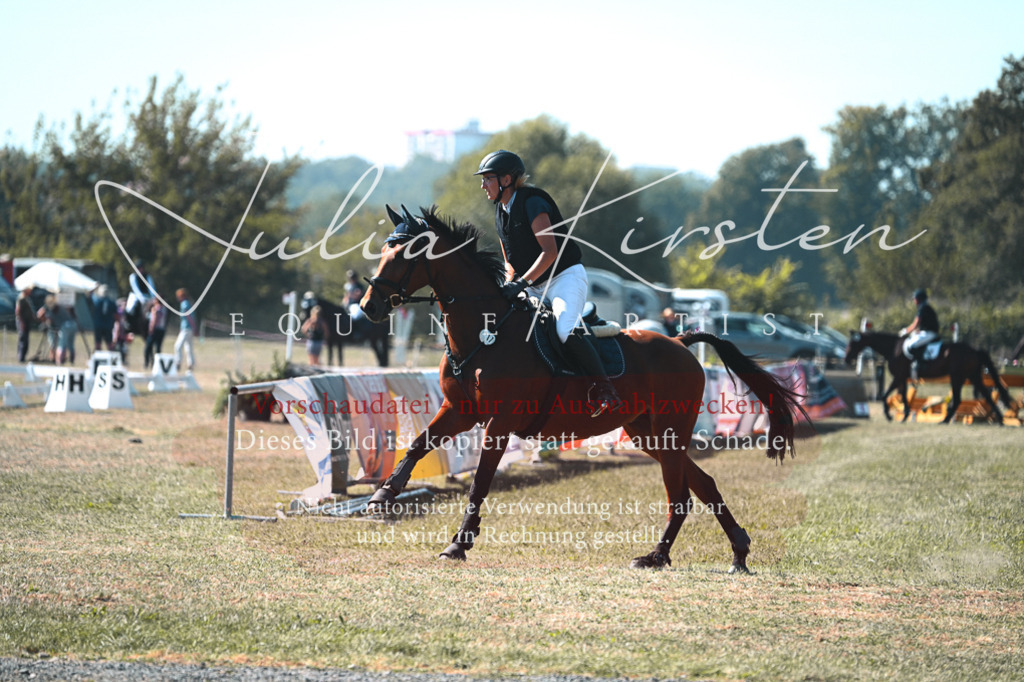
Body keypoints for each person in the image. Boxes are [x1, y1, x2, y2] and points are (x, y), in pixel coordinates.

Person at [474, 149, 620, 416]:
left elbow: (549, 252)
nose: (483, 185)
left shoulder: (533, 203)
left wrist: (521, 284)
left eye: (488, 179)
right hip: (533, 284)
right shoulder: (501, 211)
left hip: (564, 277)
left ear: (506, 179)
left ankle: (603, 388)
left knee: (564, 329)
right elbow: (509, 260)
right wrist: (508, 284)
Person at [901, 288, 940, 379]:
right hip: (927, 332)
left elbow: (915, 324)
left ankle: (918, 364)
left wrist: (905, 331)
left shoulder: (923, 308)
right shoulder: (924, 307)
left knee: (912, 346)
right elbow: (924, 324)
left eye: (915, 298)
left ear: (919, 299)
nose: (914, 300)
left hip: (930, 333)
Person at [125, 260, 156, 336]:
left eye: (141, 268)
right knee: (130, 308)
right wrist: (142, 299)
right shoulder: (133, 276)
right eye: (139, 268)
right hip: (135, 296)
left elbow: (151, 288)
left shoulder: (147, 276)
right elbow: (136, 289)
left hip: (146, 296)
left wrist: (153, 298)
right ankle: (128, 323)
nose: (140, 269)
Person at [174, 288, 196, 372]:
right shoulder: (188, 303)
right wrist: (194, 327)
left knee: (178, 346)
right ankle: (191, 364)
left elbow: (188, 316)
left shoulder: (184, 304)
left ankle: (178, 363)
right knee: (188, 347)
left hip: (186, 328)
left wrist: (193, 327)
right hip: (188, 328)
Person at [90, 285, 117, 351]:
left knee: (98, 343)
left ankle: (98, 355)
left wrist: (94, 288)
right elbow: (115, 313)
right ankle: (111, 355)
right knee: (109, 343)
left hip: (98, 325)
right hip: (108, 325)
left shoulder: (97, 300)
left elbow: (91, 295)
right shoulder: (111, 302)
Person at [144, 300, 168, 369]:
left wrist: (151, 328)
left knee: (148, 347)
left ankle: (147, 363)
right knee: (158, 348)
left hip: (154, 330)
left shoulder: (155, 308)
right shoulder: (164, 309)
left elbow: (154, 319)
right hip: (161, 330)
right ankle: (157, 365)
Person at [16, 287, 35, 362]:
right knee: (23, 339)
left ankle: (23, 356)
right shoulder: (21, 299)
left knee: (25, 339)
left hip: (26, 322)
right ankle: (21, 358)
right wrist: (22, 323)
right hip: (22, 322)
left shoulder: (27, 299)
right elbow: (18, 311)